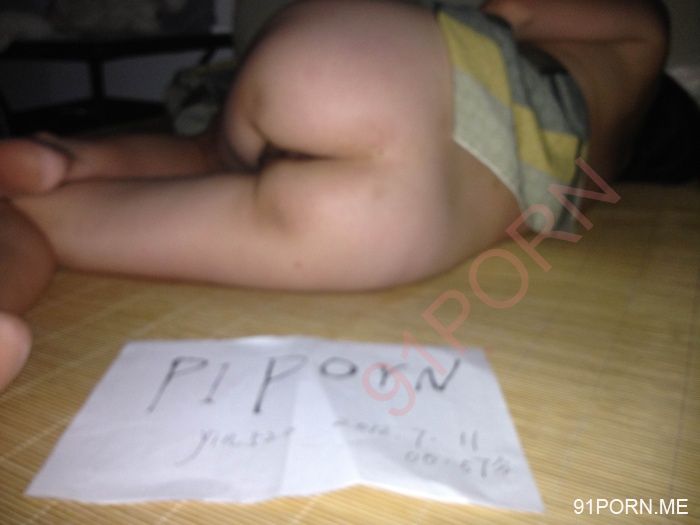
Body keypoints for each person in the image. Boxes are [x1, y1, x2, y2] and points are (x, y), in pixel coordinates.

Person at [0, 0, 671, 391]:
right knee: (45, 225)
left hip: (374, 63)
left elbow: (511, 9)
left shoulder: (646, 33)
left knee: (210, 152)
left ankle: (71, 158)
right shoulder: (599, 170)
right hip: (390, 219)